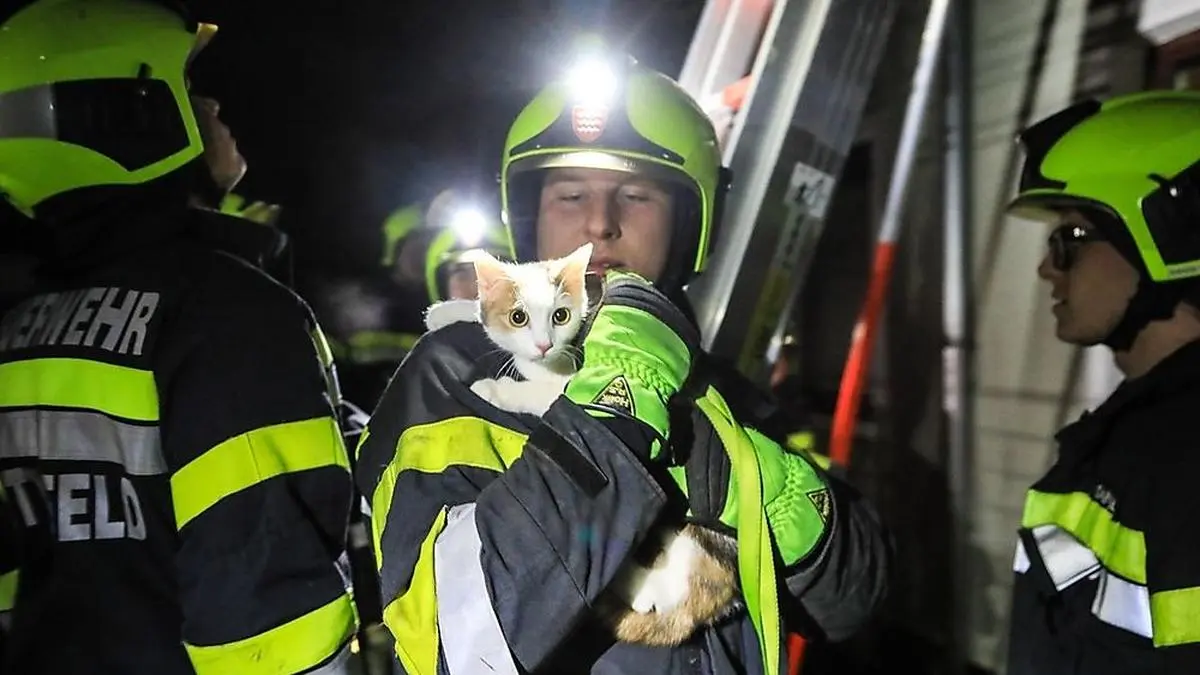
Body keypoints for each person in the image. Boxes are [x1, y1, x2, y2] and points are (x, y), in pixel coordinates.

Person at [355, 50, 890, 674]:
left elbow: (853, 598)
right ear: (529, 222)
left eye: (636, 195)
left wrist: (762, 487)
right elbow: (461, 647)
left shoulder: (714, 391)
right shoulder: (458, 376)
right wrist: (621, 395)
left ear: (691, 222)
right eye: (570, 194)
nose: (599, 226)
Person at [0, 2, 356, 672]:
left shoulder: (18, 324)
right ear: (130, 113)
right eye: (189, 89)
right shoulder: (227, 314)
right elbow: (270, 632)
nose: (214, 103)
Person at [1005, 89, 1200, 673]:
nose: (1047, 267)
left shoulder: (1182, 458)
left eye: (1071, 241)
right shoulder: (1138, 435)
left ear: (1171, 233)